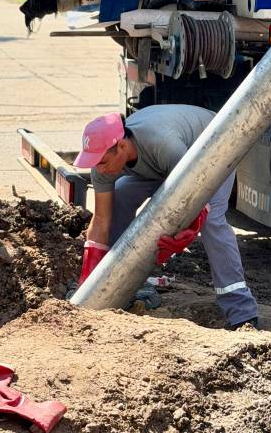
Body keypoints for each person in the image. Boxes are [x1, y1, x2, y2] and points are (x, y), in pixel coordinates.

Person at [73, 103, 259, 330]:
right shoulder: (102, 162)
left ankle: (241, 312)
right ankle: (114, 286)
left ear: (121, 146)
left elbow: (196, 196)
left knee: (212, 221)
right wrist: (89, 277)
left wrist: (188, 230)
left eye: (102, 162)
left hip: (211, 149)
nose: (99, 170)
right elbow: (101, 220)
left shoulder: (163, 144)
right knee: (120, 196)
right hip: (166, 167)